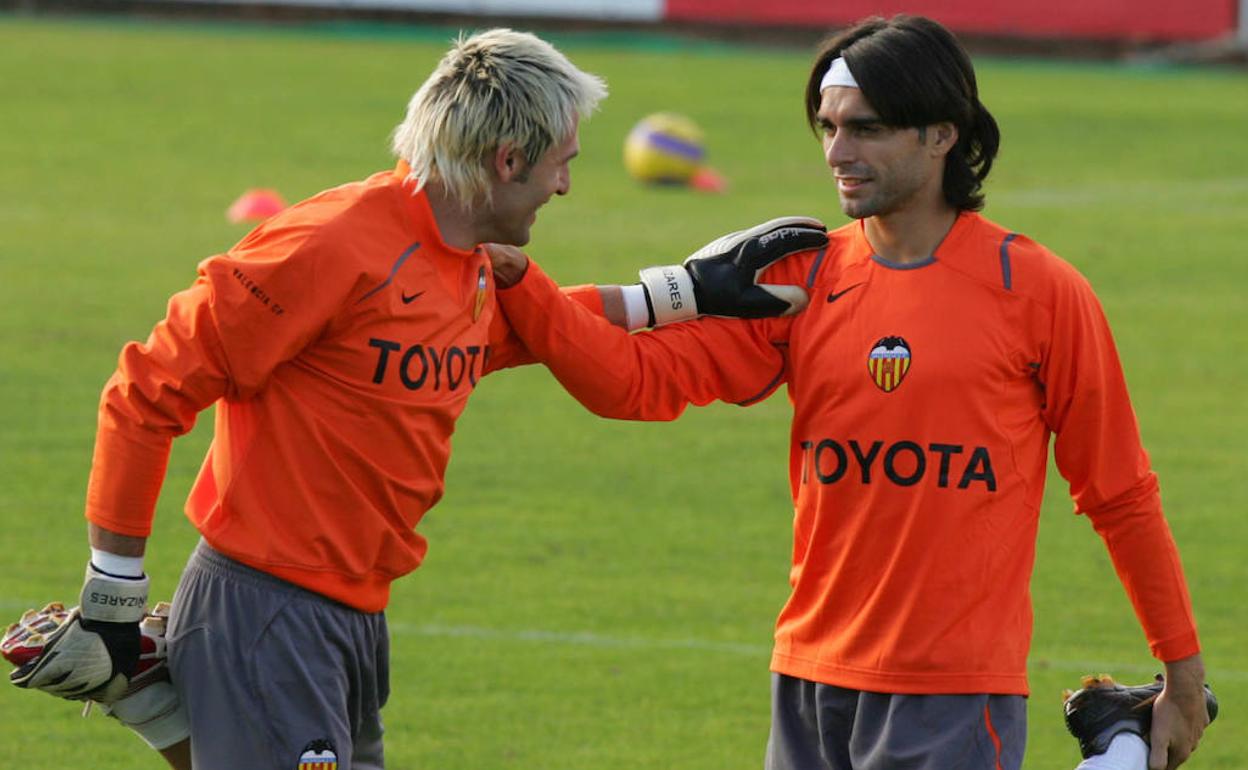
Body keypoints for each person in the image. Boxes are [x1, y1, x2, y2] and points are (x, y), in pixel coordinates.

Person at [5, 28, 824, 769]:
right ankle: (145, 681)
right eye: (561, 162)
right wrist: (112, 597)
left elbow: (525, 332)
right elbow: (147, 388)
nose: (565, 185)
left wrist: (681, 293)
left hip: (353, 617)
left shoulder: (465, 258)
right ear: (507, 160)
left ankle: (149, 696)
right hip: (267, 607)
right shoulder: (331, 244)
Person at [485, 14, 1214, 770]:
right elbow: (629, 382)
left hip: (951, 691)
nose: (838, 152)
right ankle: (1117, 754)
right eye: (828, 127)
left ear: (941, 135)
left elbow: (1119, 492)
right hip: (808, 682)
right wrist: (533, 289)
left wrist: (1183, 677)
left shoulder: (1038, 294)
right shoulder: (802, 278)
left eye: (865, 130)